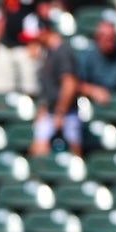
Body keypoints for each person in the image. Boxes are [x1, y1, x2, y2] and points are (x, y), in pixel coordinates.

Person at [29, 15, 80, 156]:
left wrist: (60, 112)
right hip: (52, 111)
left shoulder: (62, 51)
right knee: (38, 150)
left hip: (65, 113)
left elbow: (70, 84)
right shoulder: (48, 52)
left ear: (44, 31)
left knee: (74, 153)